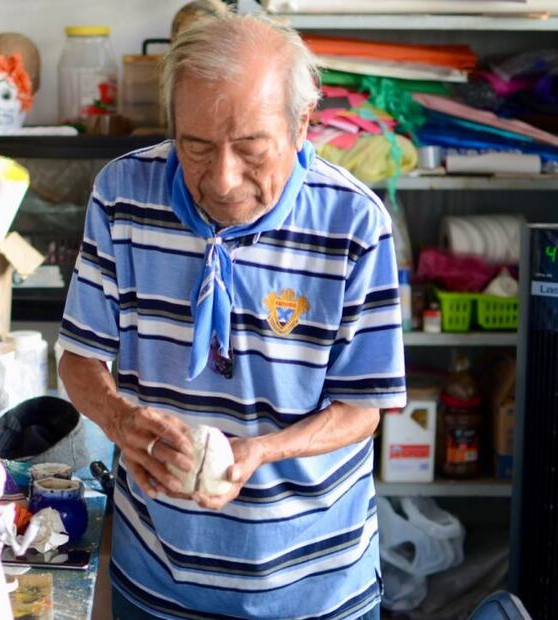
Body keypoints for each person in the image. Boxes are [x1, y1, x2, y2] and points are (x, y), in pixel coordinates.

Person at [58, 14, 405, 620]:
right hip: (157, 582)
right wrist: (119, 419)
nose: (221, 179)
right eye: (195, 146)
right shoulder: (122, 195)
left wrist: (262, 452)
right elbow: (80, 357)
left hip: (314, 590)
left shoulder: (354, 223)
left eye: (250, 149)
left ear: (300, 125)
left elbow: (362, 408)